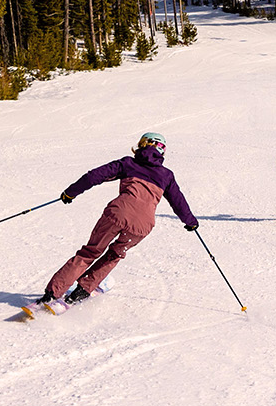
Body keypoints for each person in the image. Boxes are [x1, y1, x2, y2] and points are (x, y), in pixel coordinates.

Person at [39, 131, 198, 307]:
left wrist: (71, 192)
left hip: (117, 214)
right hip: (142, 226)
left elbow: (94, 176)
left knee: (90, 252)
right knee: (115, 254)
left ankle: (52, 294)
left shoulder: (128, 163)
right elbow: (178, 201)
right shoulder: (166, 175)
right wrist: (190, 222)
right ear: (162, 151)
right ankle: (83, 290)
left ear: (141, 145)